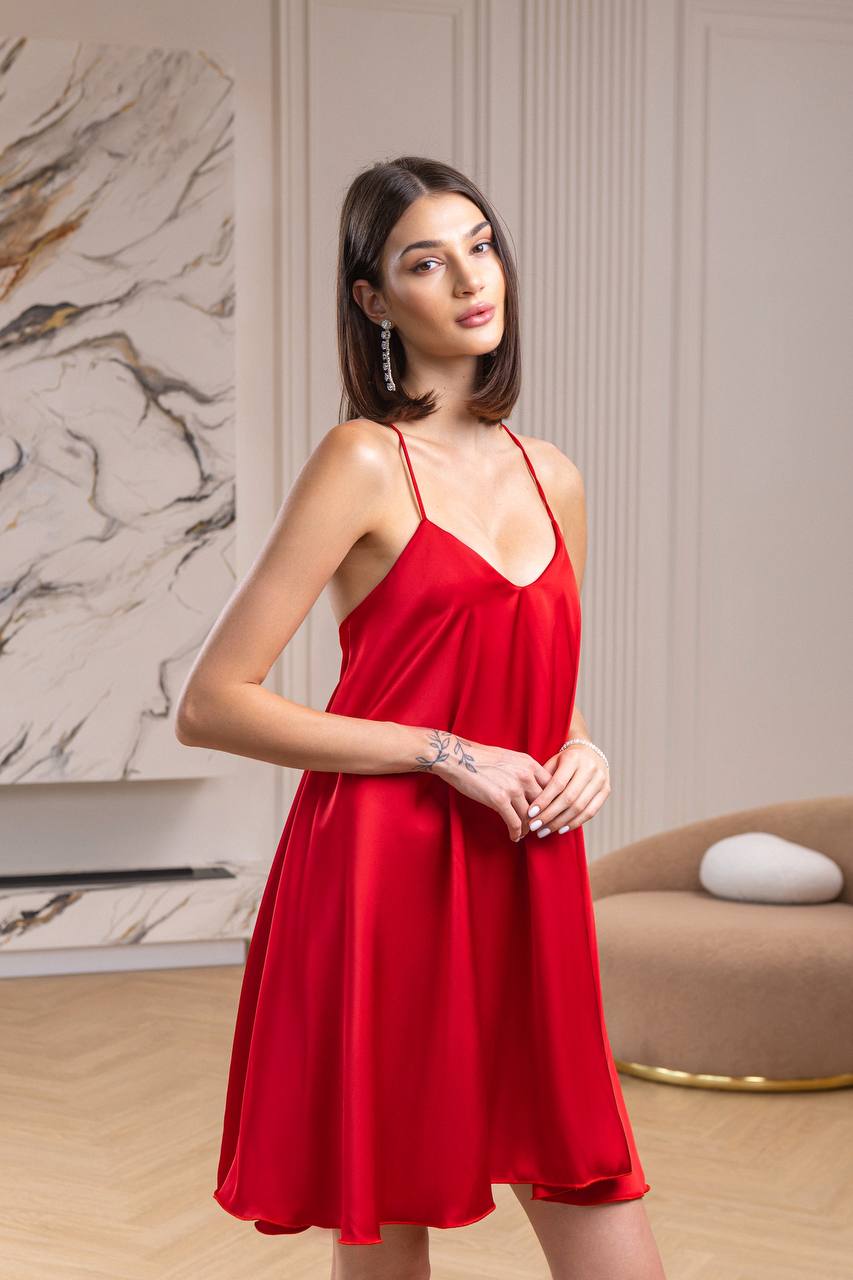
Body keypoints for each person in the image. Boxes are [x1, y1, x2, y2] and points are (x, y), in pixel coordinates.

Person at [175, 156, 667, 1280]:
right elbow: (212, 703)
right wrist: (441, 751)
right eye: (424, 260)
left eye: (480, 245)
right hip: (380, 873)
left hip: (525, 866)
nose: (468, 280)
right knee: (387, 1219)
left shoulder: (555, 475)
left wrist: (581, 748)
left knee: (589, 1175)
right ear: (373, 299)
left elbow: (536, 679)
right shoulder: (361, 459)